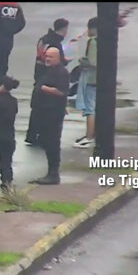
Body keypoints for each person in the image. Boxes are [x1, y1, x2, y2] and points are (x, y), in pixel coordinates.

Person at [26, 18, 70, 145]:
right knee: (43, 112)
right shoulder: (54, 43)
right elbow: (62, 91)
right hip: (46, 83)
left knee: (38, 112)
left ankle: (34, 135)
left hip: (39, 77)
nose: (48, 58)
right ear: (64, 29)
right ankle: (40, 137)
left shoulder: (44, 39)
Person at [30, 47, 69, 185]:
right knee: (45, 140)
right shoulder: (48, 70)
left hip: (52, 114)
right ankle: (50, 172)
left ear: (58, 58)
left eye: (51, 57)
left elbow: (62, 92)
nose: (47, 59)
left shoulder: (61, 72)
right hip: (44, 112)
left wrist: (45, 89)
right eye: (46, 56)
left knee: (52, 142)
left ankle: (53, 174)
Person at [73, 17, 97, 149]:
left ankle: (89, 136)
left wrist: (82, 61)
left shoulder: (93, 42)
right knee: (95, 107)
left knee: (90, 108)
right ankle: (91, 134)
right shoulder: (104, 40)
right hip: (101, 78)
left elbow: (93, 62)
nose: (87, 31)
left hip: (91, 78)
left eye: (89, 28)